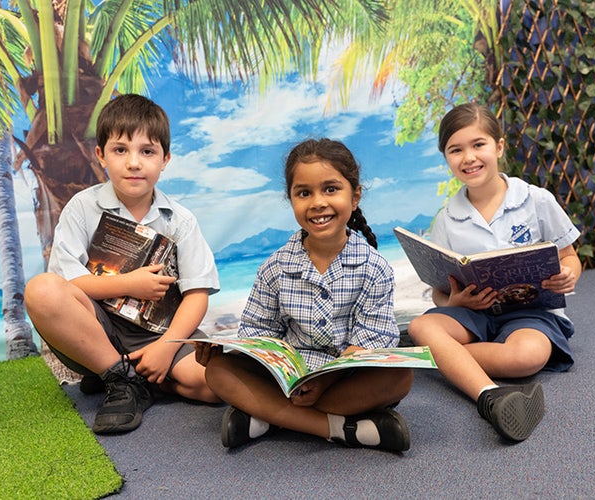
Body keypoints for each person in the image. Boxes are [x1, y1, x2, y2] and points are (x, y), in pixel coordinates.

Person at [195, 138, 414, 452]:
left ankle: (266, 416)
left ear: (355, 197)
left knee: (399, 378)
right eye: (304, 193)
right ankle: (341, 429)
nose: (317, 202)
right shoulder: (274, 267)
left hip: (343, 381)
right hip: (287, 382)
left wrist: (324, 380)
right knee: (218, 371)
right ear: (291, 200)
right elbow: (259, 333)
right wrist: (228, 352)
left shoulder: (374, 267)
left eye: (330, 189)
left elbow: (373, 342)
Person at [25, 94, 221, 435]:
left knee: (214, 385)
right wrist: (129, 285)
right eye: (120, 150)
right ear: (100, 155)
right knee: (40, 290)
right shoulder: (82, 207)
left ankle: (137, 378)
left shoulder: (181, 220)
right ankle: (117, 373)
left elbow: (198, 294)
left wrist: (167, 348)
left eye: (147, 151)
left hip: (162, 334)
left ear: (165, 159)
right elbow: (70, 282)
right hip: (99, 332)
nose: (134, 162)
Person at [408, 102, 582, 442]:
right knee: (421, 324)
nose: (468, 157)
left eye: (478, 145)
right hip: (474, 314)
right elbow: (440, 291)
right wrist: (453, 299)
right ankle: (489, 394)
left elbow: (570, 257)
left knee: (527, 357)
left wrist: (568, 275)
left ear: (499, 146)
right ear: (446, 158)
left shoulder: (536, 200)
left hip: (531, 313)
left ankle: (443, 358)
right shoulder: (446, 218)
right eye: (455, 150)